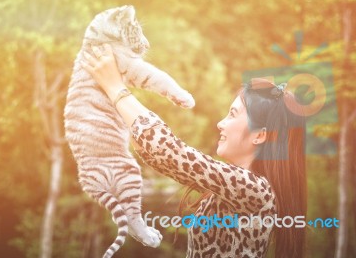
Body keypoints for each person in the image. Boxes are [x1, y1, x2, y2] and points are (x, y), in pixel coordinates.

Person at [81, 44, 307, 258]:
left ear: (259, 135)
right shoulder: (232, 187)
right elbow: (165, 158)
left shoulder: (256, 191)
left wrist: (115, 88)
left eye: (233, 114)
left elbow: (167, 149)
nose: (220, 123)